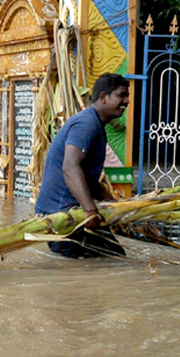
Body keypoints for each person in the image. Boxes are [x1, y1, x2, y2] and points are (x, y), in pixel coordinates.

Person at [34, 73, 130, 259]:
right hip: (64, 217)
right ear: (103, 97)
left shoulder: (95, 124)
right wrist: (91, 210)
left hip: (73, 213)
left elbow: (87, 179)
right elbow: (70, 167)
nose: (126, 101)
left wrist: (116, 205)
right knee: (110, 262)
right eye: (121, 95)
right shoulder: (86, 124)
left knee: (114, 259)